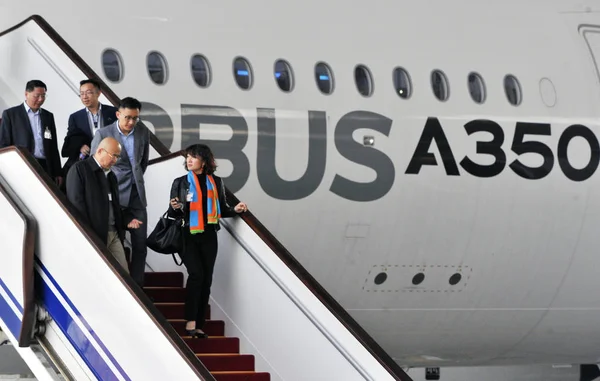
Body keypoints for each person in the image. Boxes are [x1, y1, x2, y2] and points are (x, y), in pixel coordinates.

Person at [168, 144, 247, 338]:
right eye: (188, 157)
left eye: (193, 157)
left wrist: (235, 210)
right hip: (187, 234)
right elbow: (172, 212)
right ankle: (190, 321)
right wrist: (176, 207)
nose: (189, 160)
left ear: (204, 161)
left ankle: (199, 323)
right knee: (196, 275)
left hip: (209, 235)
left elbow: (222, 208)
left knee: (206, 279)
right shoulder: (180, 182)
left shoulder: (216, 182)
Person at [91, 97, 149, 286]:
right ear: (118, 114)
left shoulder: (142, 132)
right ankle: (117, 285)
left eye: (135, 118)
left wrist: (136, 181)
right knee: (117, 241)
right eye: (127, 117)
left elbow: (142, 163)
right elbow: (94, 165)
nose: (131, 122)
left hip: (137, 195)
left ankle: (138, 287)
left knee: (140, 245)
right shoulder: (103, 133)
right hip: (113, 195)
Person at [66, 137, 138, 273]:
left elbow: (115, 206)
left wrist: (127, 220)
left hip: (114, 234)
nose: (115, 160)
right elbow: (76, 207)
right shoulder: (80, 169)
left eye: (118, 157)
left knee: (124, 277)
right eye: (114, 156)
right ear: (100, 151)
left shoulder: (111, 176)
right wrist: (88, 236)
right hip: (94, 236)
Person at [0, 80, 62, 185]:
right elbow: (4, 143)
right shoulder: (11, 114)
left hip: (45, 165)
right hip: (23, 163)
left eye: (43, 96)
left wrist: (58, 172)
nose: (40, 99)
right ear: (26, 94)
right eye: (36, 96)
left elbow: (53, 146)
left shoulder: (48, 116)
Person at [61, 79, 118, 180]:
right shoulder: (75, 117)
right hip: (87, 164)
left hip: (110, 162)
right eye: (81, 94)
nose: (84, 97)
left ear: (98, 93)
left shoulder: (113, 112)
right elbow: (71, 139)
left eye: (88, 93)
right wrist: (80, 146)